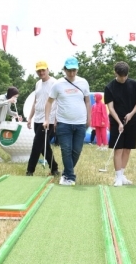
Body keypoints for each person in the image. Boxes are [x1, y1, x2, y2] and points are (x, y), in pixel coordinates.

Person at [43, 56, 91, 186]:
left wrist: (89, 118)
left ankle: (65, 174)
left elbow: (87, 101)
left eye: (74, 70)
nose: (72, 73)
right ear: (64, 70)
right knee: (66, 150)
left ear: (77, 69)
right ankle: (70, 177)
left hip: (80, 123)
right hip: (63, 123)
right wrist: (47, 119)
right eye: (69, 70)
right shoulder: (58, 84)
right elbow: (49, 102)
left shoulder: (83, 82)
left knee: (76, 151)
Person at [104, 61, 136, 187]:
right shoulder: (109, 87)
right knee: (118, 149)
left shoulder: (133, 84)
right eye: (121, 76)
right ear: (115, 73)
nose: (123, 78)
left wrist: (131, 114)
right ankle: (118, 177)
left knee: (127, 149)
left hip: (132, 121)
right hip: (117, 122)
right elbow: (110, 108)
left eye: (125, 76)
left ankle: (122, 174)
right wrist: (119, 122)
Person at [25, 61, 59, 177]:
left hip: (49, 119)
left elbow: (59, 102)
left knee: (37, 144)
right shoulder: (38, 84)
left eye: (43, 70)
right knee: (44, 146)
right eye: (39, 71)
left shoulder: (55, 83)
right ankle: (54, 168)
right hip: (37, 119)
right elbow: (36, 101)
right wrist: (30, 117)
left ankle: (30, 171)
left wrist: (56, 120)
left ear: (48, 70)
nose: (41, 72)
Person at [0, 86, 21, 162]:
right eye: (15, 96)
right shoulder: (1, 97)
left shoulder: (9, 100)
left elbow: (8, 111)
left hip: (0, 122)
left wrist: (16, 115)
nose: (15, 98)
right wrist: (8, 101)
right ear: (11, 94)